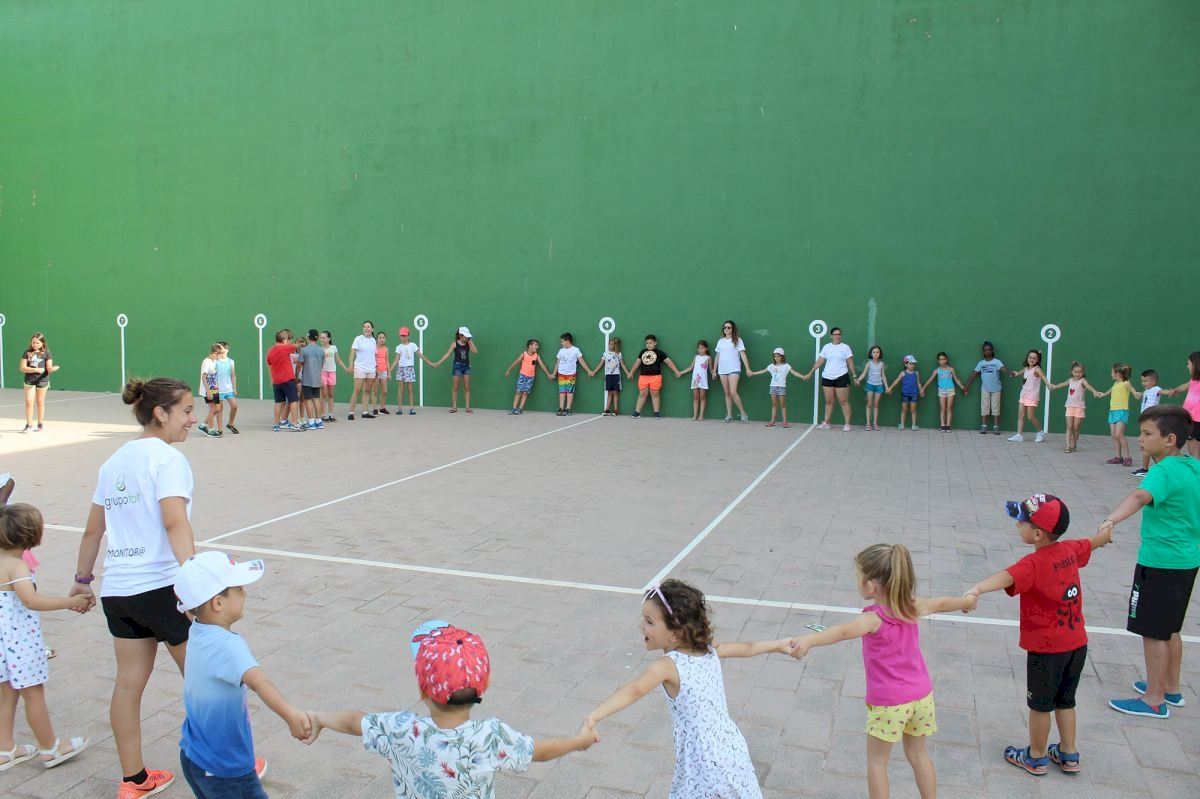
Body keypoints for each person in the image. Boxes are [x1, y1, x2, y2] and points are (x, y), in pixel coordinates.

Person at [69, 377, 199, 798]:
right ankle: (230, 767)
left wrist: (82, 581)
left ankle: (134, 780)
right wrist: (196, 582)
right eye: (186, 411)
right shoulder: (168, 459)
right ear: (160, 413)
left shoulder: (113, 462)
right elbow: (175, 522)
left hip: (119, 592)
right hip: (163, 588)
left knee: (127, 686)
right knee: (208, 682)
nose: (193, 419)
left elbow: (93, 531)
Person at [303, 621, 597, 797]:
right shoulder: (491, 736)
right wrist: (578, 740)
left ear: (422, 690)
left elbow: (355, 721)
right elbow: (541, 751)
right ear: (485, 684)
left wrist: (319, 718)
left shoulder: (401, 729)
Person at [789, 545, 976, 799]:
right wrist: (967, 602)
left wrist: (809, 640)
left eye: (858, 576)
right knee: (919, 755)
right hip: (922, 698)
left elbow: (842, 632)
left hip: (889, 704)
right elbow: (942, 603)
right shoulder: (911, 606)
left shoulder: (873, 619)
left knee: (877, 763)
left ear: (870, 585)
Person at [587, 579, 795, 798]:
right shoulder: (709, 651)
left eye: (649, 621)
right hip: (732, 749)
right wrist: (779, 645)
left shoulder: (667, 666)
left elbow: (634, 689)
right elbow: (747, 647)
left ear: (675, 633)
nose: (641, 626)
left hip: (703, 762)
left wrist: (594, 716)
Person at [964, 495, 1112, 776]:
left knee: (1040, 706)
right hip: (1077, 644)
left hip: (1047, 650)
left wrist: (977, 589)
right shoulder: (1070, 549)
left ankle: (1036, 757)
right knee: (1066, 702)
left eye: (1021, 522)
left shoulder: (1033, 564)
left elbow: (1006, 577)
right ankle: (1069, 753)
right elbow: (1092, 542)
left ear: (1037, 534)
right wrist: (1105, 535)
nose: (1017, 525)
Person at [175, 551, 310, 798]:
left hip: (194, 755)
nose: (245, 593)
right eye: (238, 589)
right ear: (218, 603)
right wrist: (290, 714)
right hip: (225, 769)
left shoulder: (198, 627)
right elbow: (259, 681)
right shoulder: (228, 645)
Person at [1099, 405, 1200, 719]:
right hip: (1187, 560)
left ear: (1170, 439)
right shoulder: (1192, 466)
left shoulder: (1162, 471)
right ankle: (1170, 688)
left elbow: (1140, 497)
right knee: (1170, 628)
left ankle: (1154, 700)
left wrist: (1111, 519)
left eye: (1146, 434)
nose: (1140, 439)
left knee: (1153, 631)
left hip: (1161, 561)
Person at [0, 503, 91, 771]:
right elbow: (31, 600)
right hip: (19, 642)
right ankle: (50, 747)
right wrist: (70, 601)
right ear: (32, 536)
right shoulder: (17, 566)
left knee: (7, 692)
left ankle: (5, 749)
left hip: (3, 644)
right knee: (33, 694)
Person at [803, 326, 855, 431]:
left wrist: (854, 376)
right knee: (829, 401)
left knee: (843, 401)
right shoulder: (826, 347)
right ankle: (826, 423)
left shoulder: (845, 347)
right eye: (835, 334)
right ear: (831, 336)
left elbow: (850, 362)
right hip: (827, 377)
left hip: (842, 376)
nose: (838, 336)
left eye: (839, 334)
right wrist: (810, 373)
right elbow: (820, 361)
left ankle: (847, 424)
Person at [1047, 362, 1100, 453]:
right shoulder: (1070, 380)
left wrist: (1094, 391)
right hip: (1069, 406)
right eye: (1075, 372)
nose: (1077, 374)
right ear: (1072, 372)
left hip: (1079, 407)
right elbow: (1063, 384)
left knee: (1076, 427)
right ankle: (1068, 446)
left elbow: (1088, 386)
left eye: (1079, 372)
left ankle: (1074, 444)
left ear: (1083, 373)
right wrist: (1055, 386)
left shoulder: (1083, 381)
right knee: (1069, 426)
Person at [748, 347, 806, 428]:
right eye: (775, 356)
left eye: (778, 356)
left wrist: (803, 376)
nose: (776, 358)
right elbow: (763, 371)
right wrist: (753, 373)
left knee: (782, 405)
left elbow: (794, 372)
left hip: (781, 387)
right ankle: (772, 421)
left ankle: (784, 422)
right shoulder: (771, 366)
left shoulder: (786, 366)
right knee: (774, 404)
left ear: (782, 357)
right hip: (773, 387)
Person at [627, 334, 681, 419]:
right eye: (647, 343)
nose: (649, 344)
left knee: (655, 394)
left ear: (655, 343)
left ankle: (656, 413)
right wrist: (631, 372)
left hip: (655, 377)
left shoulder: (660, 353)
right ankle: (637, 412)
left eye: (651, 343)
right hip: (643, 377)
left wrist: (676, 371)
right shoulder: (643, 352)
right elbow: (637, 362)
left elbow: (668, 361)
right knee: (642, 394)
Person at [1094, 363, 1134, 466]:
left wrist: (1136, 394)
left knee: (1119, 434)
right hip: (1112, 411)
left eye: (1112, 372)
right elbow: (1109, 392)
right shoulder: (1115, 384)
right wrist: (1102, 394)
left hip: (1122, 411)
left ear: (1118, 374)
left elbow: (1133, 391)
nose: (1111, 374)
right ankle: (1118, 457)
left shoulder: (1126, 383)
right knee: (1113, 435)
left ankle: (1127, 457)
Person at [1161, 350, 1200, 458]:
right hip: (1190, 418)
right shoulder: (1194, 380)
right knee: (1194, 451)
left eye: (1188, 363)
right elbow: (1184, 386)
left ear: (1196, 364)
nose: (1187, 366)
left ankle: (1195, 469)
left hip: (1196, 420)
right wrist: (1175, 390)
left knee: (1194, 451)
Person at [961, 341, 1005, 435]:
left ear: (992, 350)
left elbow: (1003, 369)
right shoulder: (981, 363)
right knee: (984, 407)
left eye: (989, 349)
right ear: (983, 352)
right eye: (985, 350)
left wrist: (1009, 373)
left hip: (996, 389)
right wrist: (966, 386)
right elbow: (974, 374)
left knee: (996, 408)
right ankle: (984, 426)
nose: (987, 351)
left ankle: (996, 427)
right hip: (985, 389)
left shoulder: (997, 362)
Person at [431, 327, 478, 413]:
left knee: (467, 387)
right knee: (455, 387)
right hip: (457, 367)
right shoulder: (454, 344)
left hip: (467, 367)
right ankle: (454, 407)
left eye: (468, 336)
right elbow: (447, 354)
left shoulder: (468, 343)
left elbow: (475, 351)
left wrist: (471, 342)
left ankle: (467, 408)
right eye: (466, 336)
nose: (467, 338)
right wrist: (438, 363)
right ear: (460, 335)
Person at [714, 320, 752, 422]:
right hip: (722, 370)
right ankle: (729, 415)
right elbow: (717, 356)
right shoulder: (720, 341)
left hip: (734, 369)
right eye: (725, 327)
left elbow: (743, 355)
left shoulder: (738, 340)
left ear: (732, 329)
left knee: (733, 392)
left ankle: (743, 413)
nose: (726, 329)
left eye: (729, 327)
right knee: (727, 393)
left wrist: (748, 369)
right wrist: (714, 370)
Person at [19, 333, 57, 433]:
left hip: (42, 380)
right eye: (33, 342)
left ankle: (40, 424)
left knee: (40, 402)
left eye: (37, 343)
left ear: (42, 343)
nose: (35, 344)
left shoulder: (47, 353)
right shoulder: (27, 353)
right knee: (29, 402)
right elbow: (22, 368)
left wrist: (53, 369)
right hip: (29, 380)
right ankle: (29, 425)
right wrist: (35, 370)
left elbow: (49, 367)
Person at [1008, 349, 1048, 443]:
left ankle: (1040, 432)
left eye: (1034, 358)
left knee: (1030, 417)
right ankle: (1019, 435)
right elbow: (1020, 372)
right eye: (1030, 357)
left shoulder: (1037, 369)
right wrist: (1015, 374)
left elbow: (1043, 377)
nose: (1032, 360)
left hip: (1032, 396)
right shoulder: (1026, 368)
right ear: (1027, 358)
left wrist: (1049, 385)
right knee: (1021, 414)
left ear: (1038, 360)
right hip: (1023, 394)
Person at [919, 352, 965, 431]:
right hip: (941, 391)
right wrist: (923, 388)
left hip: (950, 390)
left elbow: (956, 379)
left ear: (946, 359)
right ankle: (943, 425)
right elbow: (930, 380)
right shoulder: (937, 371)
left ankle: (948, 425)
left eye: (944, 359)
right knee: (942, 408)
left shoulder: (951, 369)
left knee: (949, 408)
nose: (942, 361)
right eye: (940, 359)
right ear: (938, 361)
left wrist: (962, 387)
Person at [504, 339, 552, 415]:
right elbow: (516, 362)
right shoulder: (524, 354)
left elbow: (542, 365)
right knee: (518, 392)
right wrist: (508, 370)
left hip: (530, 377)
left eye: (537, 345)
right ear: (530, 346)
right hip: (522, 376)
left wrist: (548, 374)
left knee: (525, 393)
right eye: (536, 345)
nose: (537, 347)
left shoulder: (536, 356)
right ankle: (514, 408)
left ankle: (520, 409)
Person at [266, 329, 301, 432]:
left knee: (278, 402)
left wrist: (272, 379)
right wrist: (302, 343)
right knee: (293, 400)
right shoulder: (284, 347)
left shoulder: (270, 351)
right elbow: (295, 346)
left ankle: (276, 425)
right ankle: (295, 424)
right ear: (284, 340)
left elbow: (269, 365)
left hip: (276, 381)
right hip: (288, 379)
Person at [1130, 368, 1163, 476]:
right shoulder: (1147, 391)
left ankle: (1146, 469)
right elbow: (1141, 395)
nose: (1143, 383)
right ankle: (1156, 468)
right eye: (1142, 381)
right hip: (1145, 420)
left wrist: (1171, 392)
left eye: (1145, 381)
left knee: (1146, 445)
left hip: (1151, 420)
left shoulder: (1156, 389)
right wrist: (1138, 394)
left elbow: (1163, 392)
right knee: (1146, 445)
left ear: (1153, 381)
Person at [550, 333, 591, 416]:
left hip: (571, 375)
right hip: (561, 374)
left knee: (569, 391)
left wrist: (588, 370)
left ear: (567, 341)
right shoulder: (561, 351)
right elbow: (557, 362)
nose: (561, 343)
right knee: (562, 391)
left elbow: (581, 361)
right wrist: (554, 373)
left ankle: (568, 409)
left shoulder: (576, 350)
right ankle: (561, 409)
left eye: (562, 341)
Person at [346, 321, 378, 420]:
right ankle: (351, 413)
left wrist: (376, 367)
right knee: (357, 390)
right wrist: (351, 365)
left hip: (371, 368)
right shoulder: (358, 339)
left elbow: (374, 355)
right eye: (365, 327)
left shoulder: (374, 340)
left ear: (372, 329)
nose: (366, 328)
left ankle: (365, 412)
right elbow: (352, 353)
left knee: (367, 390)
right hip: (360, 367)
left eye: (368, 327)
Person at [587, 336, 626, 416]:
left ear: (615, 345)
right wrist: (594, 371)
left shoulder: (618, 354)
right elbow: (601, 364)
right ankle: (607, 409)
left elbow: (622, 364)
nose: (609, 345)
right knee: (609, 392)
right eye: (609, 344)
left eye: (611, 344)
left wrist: (628, 373)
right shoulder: (605, 354)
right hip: (608, 375)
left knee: (615, 392)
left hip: (616, 375)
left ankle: (615, 410)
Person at [391, 326, 425, 415]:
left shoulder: (413, 345)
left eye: (405, 335)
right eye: (402, 336)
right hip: (401, 369)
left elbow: (420, 355)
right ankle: (400, 409)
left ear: (408, 336)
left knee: (410, 389)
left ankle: (411, 409)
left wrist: (430, 363)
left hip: (410, 369)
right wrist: (389, 370)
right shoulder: (398, 347)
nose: (403, 337)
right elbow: (396, 360)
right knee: (400, 389)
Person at [675, 340, 712, 421]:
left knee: (702, 397)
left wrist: (714, 374)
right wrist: (681, 373)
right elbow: (690, 368)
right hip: (695, 379)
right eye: (699, 348)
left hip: (703, 380)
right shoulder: (696, 357)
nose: (700, 350)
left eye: (702, 348)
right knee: (695, 397)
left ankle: (701, 415)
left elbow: (711, 369)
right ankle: (695, 415)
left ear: (706, 348)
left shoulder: (708, 358)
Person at [854, 345, 888, 431]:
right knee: (869, 404)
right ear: (871, 354)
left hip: (879, 386)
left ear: (880, 354)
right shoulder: (869, 363)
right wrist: (858, 380)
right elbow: (864, 373)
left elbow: (883, 376)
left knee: (876, 404)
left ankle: (875, 423)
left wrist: (887, 386)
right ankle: (868, 424)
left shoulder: (881, 364)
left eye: (877, 352)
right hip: (870, 385)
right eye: (874, 352)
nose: (876, 354)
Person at [886, 355, 923, 431]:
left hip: (914, 394)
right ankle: (902, 425)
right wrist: (890, 388)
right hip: (905, 394)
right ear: (905, 364)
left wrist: (921, 390)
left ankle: (914, 425)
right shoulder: (903, 373)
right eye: (910, 363)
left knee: (913, 410)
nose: (912, 365)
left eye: (913, 364)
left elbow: (918, 383)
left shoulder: (916, 373)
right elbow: (896, 381)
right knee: (904, 410)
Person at [299, 330, 326, 430]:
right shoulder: (321, 351)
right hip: (317, 379)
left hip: (307, 380)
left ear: (307, 337)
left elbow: (300, 363)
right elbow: (322, 365)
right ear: (317, 338)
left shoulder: (304, 350)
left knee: (308, 400)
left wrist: (296, 375)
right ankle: (318, 421)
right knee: (316, 399)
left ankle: (311, 422)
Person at [318, 330, 347, 423]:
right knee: (323, 394)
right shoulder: (319, 349)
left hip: (332, 373)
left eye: (324, 338)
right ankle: (322, 415)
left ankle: (331, 414)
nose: (321, 339)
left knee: (330, 394)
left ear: (329, 339)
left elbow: (338, 360)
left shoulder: (333, 348)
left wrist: (346, 369)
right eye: (321, 338)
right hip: (323, 373)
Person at [197, 344, 223, 438]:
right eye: (219, 355)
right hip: (208, 390)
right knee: (212, 409)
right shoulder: (206, 362)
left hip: (214, 389)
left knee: (218, 409)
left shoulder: (213, 361)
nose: (220, 357)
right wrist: (208, 391)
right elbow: (204, 377)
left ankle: (203, 425)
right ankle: (211, 430)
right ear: (215, 353)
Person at [215, 342, 239, 434]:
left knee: (234, 406)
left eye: (223, 349)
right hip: (217, 390)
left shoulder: (231, 362)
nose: (221, 351)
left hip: (228, 389)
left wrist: (234, 388)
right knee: (219, 409)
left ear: (227, 350)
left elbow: (233, 375)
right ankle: (220, 429)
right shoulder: (215, 362)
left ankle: (230, 424)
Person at [371, 331, 390, 415]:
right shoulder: (374, 348)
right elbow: (372, 359)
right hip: (375, 371)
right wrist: (375, 369)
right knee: (375, 391)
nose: (382, 339)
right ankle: (375, 409)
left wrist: (389, 373)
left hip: (384, 371)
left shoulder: (386, 349)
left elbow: (387, 361)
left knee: (384, 391)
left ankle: (382, 408)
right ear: (377, 339)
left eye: (383, 338)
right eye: (380, 338)